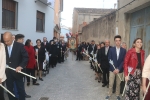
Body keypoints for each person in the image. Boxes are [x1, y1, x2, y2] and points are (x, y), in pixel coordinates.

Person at [3, 32, 28, 100]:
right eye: (5, 41)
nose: (6, 43)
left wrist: (20, 66)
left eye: (8, 41)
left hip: (18, 72)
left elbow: (25, 57)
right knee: (10, 90)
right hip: (8, 73)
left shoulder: (20, 46)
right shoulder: (3, 47)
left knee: (20, 89)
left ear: (12, 38)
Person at [105, 35, 126, 100]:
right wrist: (113, 69)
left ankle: (117, 95)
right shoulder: (111, 50)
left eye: (119, 40)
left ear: (120, 41)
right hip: (112, 70)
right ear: (114, 41)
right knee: (111, 83)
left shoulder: (123, 50)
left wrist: (118, 69)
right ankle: (109, 94)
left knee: (118, 84)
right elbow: (109, 59)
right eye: (116, 41)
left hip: (119, 70)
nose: (118, 42)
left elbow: (123, 60)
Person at [15, 34, 31, 98]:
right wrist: (21, 66)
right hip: (18, 69)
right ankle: (19, 96)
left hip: (19, 68)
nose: (23, 41)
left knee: (20, 84)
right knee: (18, 84)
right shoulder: (21, 46)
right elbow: (25, 57)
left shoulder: (19, 46)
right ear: (19, 39)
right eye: (22, 39)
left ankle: (22, 94)